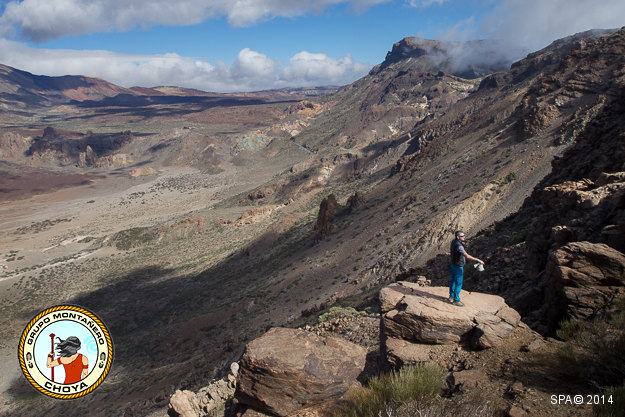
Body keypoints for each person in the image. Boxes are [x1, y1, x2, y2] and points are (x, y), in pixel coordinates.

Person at [449, 230, 484, 307]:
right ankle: (456, 300)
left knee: (453, 280)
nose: (464, 237)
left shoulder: (453, 242)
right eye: (462, 236)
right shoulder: (459, 246)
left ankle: (451, 296)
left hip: (453, 264)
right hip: (458, 266)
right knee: (458, 282)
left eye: (464, 235)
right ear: (458, 237)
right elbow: (467, 256)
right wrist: (477, 260)